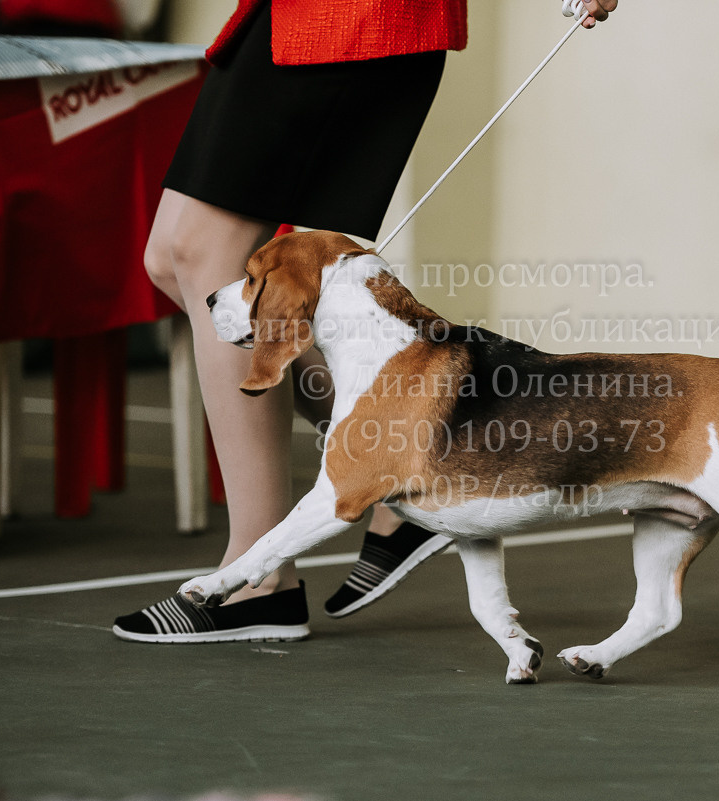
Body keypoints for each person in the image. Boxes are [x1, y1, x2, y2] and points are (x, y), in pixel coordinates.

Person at [113, 0, 619, 643]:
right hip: (286, 15)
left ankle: (260, 578)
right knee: (174, 258)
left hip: (348, 18)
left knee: (205, 255)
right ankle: (404, 462)